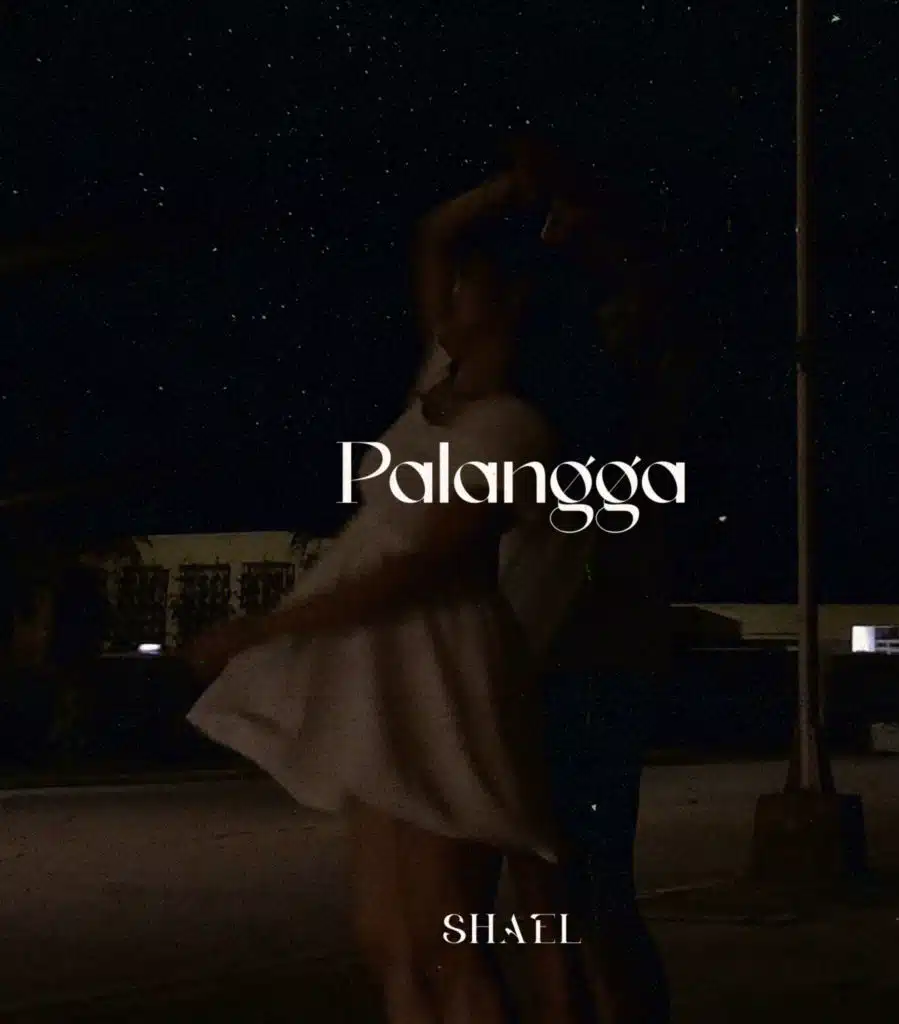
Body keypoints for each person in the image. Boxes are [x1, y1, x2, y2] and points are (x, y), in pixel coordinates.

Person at [183, 170, 602, 1024]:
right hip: (383, 664)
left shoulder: (514, 430)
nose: (447, 294)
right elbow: (433, 235)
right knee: (388, 938)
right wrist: (515, 187)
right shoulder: (437, 392)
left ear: (512, 306)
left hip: (441, 663)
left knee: (451, 940)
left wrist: (267, 628)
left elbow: (420, 569)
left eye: (469, 285)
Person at [499, 136, 683, 1024]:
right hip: (572, 638)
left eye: (564, 216)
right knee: (557, 888)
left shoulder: (624, 352)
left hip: (589, 644)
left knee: (590, 886)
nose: (550, 235)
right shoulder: (604, 348)